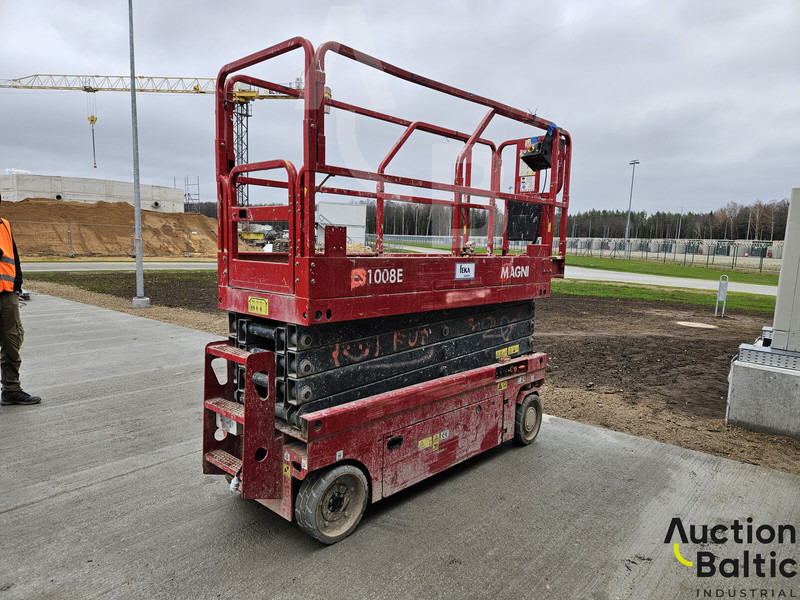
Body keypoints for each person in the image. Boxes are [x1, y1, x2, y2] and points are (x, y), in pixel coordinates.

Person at [0, 194, 41, 406]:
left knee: (12, 340)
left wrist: (17, 286)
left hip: (7, 294)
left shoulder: (5, 225)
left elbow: (13, 257)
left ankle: (11, 389)